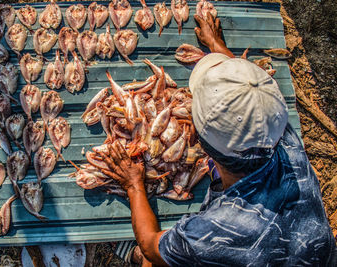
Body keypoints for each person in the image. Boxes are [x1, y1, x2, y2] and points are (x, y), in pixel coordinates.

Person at [99, 12, 336, 266]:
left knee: (147, 262)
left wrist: (133, 183)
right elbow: (251, 99)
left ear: (201, 142)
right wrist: (219, 50)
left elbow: (151, 245)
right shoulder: (283, 138)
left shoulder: (214, 231)